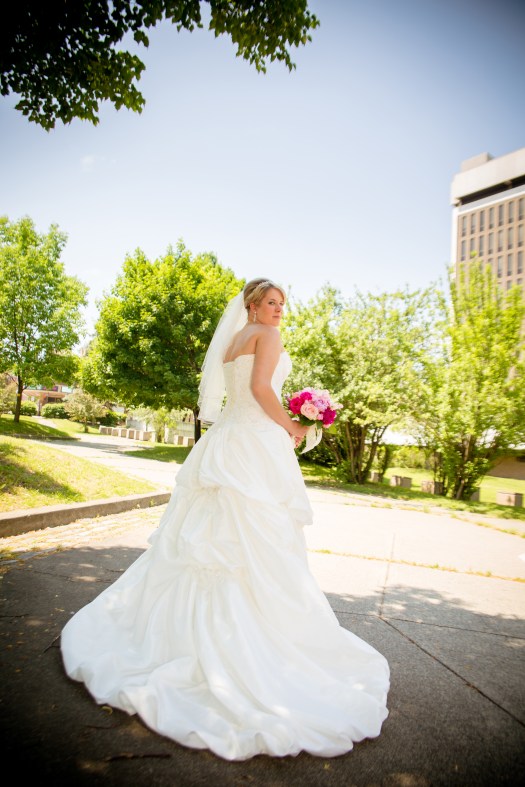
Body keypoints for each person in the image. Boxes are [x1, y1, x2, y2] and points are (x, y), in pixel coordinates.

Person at [60, 278, 390, 761]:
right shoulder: (267, 335)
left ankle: (180, 637)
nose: (278, 310)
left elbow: (241, 390)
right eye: (271, 302)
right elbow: (260, 389)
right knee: (252, 540)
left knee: (207, 539)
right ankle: (248, 644)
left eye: (282, 304)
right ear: (252, 305)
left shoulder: (234, 340)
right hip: (254, 444)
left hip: (227, 440)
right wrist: (293, 424)